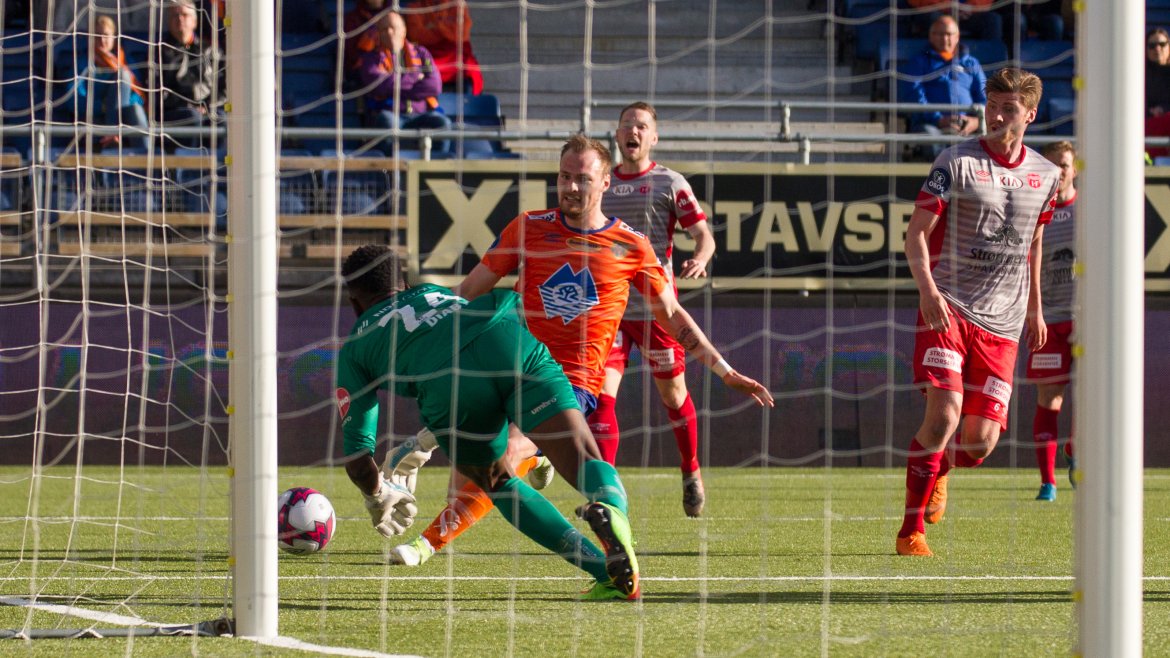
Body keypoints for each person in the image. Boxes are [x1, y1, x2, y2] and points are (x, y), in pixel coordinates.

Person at [387, 134, 773, 567]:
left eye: (583, 179)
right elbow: (469, 291)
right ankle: (536, 459)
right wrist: (424, 328)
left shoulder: (630, 245)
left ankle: (425, 545)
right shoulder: (528, 227)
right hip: (510, 369)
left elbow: (671, 314)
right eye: (564, 177)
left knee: (506, 455)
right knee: (465, 481)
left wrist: (724, 371)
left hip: (570, 382)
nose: (571, 187)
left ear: (606, 182)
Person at [336, 244, 642, 601]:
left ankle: (604, 573)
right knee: (583, 455)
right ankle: (613, 512)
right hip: (507, 337)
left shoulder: (356, 346)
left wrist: (376, 495)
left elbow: (358, 459)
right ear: (403, 282)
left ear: (354, 301)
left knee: (497, 480)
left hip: (449, 384)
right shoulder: (434, 292)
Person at [895, 68, 1060, 558]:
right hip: (948, 306)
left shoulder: (1047, 175)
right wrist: (927, 291)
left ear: (1030, 115)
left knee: (979, 443)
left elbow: (1034, 242)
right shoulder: (956, 161)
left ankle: (942, 469)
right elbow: (916, 233)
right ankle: (910, 533)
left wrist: (1035, 308)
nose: (997, 116)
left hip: (1004, 323)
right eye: (992, 106)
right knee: (943, 415)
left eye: (1009, 109)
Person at [596, 101, 715, 517]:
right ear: (616, 134)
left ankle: (690, 470)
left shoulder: (670, 182)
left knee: (673, 394)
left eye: (641, 125)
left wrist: (700, 257)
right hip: (610, 310)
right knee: (601, 398)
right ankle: (606, 493)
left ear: (654, 137)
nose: (633, 130)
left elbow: (704, 235)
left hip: (656, 311)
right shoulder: (601, 181)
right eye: (627, 124)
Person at [1028, 141, 1078, 501]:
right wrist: (1034, 313)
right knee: (1050, 399)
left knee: (1092, 397)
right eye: (1052, 165)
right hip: (1048, 320)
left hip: (1087, 321)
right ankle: (1048, 482)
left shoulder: (1090, 212)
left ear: (1074, 169)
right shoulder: (1033, 212)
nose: (1058, 171)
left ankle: (1076, 448)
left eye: (1064, 164)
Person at [356, 10, 453, 153]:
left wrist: (396, 86)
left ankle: (436, 165)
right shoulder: (371, 58)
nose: (389, 32)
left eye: (393, 28)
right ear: (378, 34)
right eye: (384, 29)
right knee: (386, 121)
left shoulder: (421, 53)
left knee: (442, 123)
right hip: (390, 114)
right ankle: (389, 166)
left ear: (404, 31)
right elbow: (380, 86)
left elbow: (434, 86)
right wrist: (415, 77)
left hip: (421, 115)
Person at [900, 15, 986, 160]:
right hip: (931, 124)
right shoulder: (919, 62)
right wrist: (939, 119)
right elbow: (914, 94)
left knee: (980, 145)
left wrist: (976, 121)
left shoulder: (971, 63)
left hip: (967, 124)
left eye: (949, 34)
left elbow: (985, 97)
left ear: (957, 36)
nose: (945, 38)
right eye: (939, 34)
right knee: (932, 142)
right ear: (931, 36)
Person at [152, 0, 224, 150]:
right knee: (192, 117)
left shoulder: (210, 51)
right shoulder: (159, 52)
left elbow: (224, 87)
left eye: (184, 15)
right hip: (175, 112)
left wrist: (207, 105)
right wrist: (190, 105)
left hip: (208, 108)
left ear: (195, 22)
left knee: (222, 119)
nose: (180, 19)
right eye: (175, 15)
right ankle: (187, 163)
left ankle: (218, 163)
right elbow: (157, 92)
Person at [73, 15, 150, 152]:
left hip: (125, 119)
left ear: (114, 37)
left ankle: (146, 158)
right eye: (97, 35)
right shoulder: (82, 64)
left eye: (106, 35)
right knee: (122, 75)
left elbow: (138, 96)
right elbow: (75, 98)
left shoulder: (126, 61)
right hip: (95, 118)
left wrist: (116, 104)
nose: (102, 40)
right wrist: (104, 105)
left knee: (136, 109)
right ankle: (111, 134)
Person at [404, 0, 484, 95]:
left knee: (471, 70)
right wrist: (447, 27)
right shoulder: (414, 7)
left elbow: (462, 33)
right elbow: (416, 36)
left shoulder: (456, 4)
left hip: (456, 54)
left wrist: (434, 27)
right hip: (426, 55)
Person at [906, 0, 1003, 43]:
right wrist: (949, 7)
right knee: (932, 18)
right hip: (938, 12)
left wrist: (970, 7)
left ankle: (992, 70)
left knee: (992, 20)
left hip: (968, 14)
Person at [341, 0, 385, 86]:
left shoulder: (393, 16)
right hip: (361, 69)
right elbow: (350, 52)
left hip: (389, 67)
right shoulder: (353, 18)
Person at [1145, 28, 1170, 159]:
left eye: (1162, 44)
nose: (1157, 49)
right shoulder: (1138, 74)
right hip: (1147, 125)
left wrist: (1163, 109)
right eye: (1152, 45)